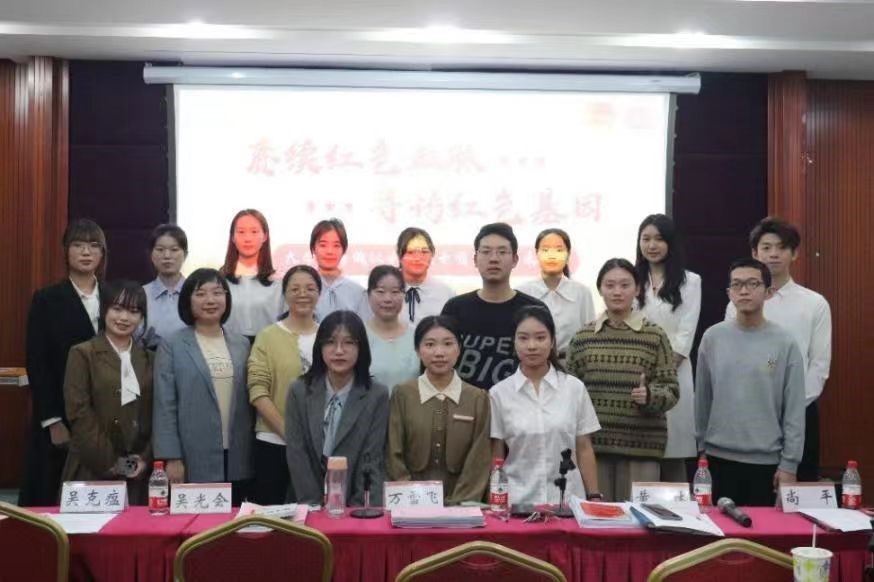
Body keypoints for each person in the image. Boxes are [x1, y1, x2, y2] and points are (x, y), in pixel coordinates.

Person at [724, 217, 831, 483]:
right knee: (753, 491)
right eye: (766, 247)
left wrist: (793, 405)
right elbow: (731, 359)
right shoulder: (738, 302)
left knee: (796, 491)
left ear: (794, 254)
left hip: (800, 411)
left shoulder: (814, 304)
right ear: (754, 253)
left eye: (782, 247)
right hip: (749, 412)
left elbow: (819, 365)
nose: (773, 254)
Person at [567, 258, 678, 502]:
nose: (617, 291)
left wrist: (650, 396)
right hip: (592, 451)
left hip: (642, 449)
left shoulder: (655, 335)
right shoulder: (583, 338)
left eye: (625, 285)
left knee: (640, 521)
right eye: (610, 285)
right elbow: (568, 395)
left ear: (637, 289)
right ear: (600, 289)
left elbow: (671, 390)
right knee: (598, 519)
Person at [699, 258, 805, 506]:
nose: (744, 291)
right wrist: (701, 450)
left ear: (768, 292)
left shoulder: (785, 342)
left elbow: (794, 409)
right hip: (717, 459)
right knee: (718, 530)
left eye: (752, 284)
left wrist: (789, 465)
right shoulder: (713, 338)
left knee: (762, 529)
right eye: (737, 285)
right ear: (729, 293)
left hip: (766, 463)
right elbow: (702, 399)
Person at [20, 219, 108, 506]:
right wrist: (52, 420)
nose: (86, 252)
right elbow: (38, 363)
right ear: (66, 251)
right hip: (61, 416)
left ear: (102, 253)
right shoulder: (47, 299)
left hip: (106, 416)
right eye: (78, 245)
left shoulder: (113, 297)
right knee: (52, 497)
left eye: (94, 245)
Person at [153, 268, 254, 504]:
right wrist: (171, 457)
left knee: (235, 522)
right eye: (200, 294)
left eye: (217, 293)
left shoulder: (242, 344)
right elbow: (164, 405)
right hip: (192, 457)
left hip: (238, 457)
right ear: (188, 301)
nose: (210, 300)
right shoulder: (173, 344)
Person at [490, 306, 601, 505]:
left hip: (567, 502)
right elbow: (496, 455)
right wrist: (495, 500)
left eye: (540, 338)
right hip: (518, 503)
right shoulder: (499, 394)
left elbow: (584, 448)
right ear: (514, 342)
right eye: (523, 338)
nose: (532, 346)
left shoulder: (574, 388)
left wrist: (594, 495)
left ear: (552, 342)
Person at [285, 310, 389, 506]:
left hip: (356, 504)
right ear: (319, 347)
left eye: (349, 343)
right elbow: (297, 454)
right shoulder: (299, 391)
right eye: (330, 342)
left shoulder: (377, 395)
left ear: (361, 348)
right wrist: (313, 506)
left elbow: (371, 458)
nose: (339, 351)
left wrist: (359, 510)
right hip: (305, 502)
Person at [62, 281, 153, 504]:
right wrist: (115, 464)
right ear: (104, 310)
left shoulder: (150, 358)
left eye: (133, 311)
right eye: (117, 309)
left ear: (141, 317)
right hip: (92, 466)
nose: (124, 318)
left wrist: (144, 458)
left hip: (139, 472)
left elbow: (159, 413)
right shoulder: (83, 353)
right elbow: (79, 413)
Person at [387, 316, 491, 504]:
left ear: (459, 349)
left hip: (463, 508)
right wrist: (413, 499)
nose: (439, 353)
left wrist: (459, 504)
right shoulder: (403, 394)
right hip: (410, 505)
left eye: (448, 344)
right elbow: (393, 453)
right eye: (430, 344)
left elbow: (479, 459)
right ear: (417, 350)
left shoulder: (477, 398)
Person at [635, 214, 701, 482]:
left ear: (671, 243)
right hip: (637, 374)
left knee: (674, 451)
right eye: (646, 239)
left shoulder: (690, 281)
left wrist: (661, 372)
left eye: (659, 239)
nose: (652, 245)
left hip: (674, 373)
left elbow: (686, 334)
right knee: (641, 451)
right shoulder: (631, 279)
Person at [441, 223, 545, 390]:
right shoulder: (455, 308)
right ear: (475, 259)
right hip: (464, 403)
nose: (494, 258)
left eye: (502, 252)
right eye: (486, 251)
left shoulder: (534, 309)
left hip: (519, 402)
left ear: (515, 260)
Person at [248, 267, 318, 504]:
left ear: (319, 294)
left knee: (314, 514)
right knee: (271, 517)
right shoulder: (268, 336)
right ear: (284, 294)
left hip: (319, 445)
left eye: (310, 288)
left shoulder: (329, 336)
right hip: (274, 442)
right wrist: (289, 433)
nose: (303, 294)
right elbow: (257, 390)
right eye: (295, 289)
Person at [516, 228, 596, 360]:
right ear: (536, 253)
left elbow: (590, 338)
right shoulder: (523, 292)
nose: (552, 256)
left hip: (571, 365)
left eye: (559, 250)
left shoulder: (582, 292)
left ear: (568, 254)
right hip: (532, 363)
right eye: (545, 250)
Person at [220, 209, 285, 343]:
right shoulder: (220, 280)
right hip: (229, 348)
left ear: (265, 236)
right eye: (241, 232)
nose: (248, 239)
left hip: (269, 349)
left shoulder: (278, 281)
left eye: (254, 232)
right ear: (232, 237)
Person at [365, 265, 420, 393]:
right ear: (368, 294)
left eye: (395, 292)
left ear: (404, 295)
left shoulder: (417, 336)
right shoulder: (358, 335)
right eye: (380, 292)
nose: (388, 299)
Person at [140, 224, 188, 350]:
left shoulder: (195, 293)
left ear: (185, 254)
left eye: (174, 249)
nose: (167, 256)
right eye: (160, 249)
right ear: (151, 255)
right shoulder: (141, 294)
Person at [310, 218, 367, 322]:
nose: (330, 251)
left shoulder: (358, 292)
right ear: (313, 248)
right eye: (323, 245)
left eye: (336, 245)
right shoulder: (300, 289)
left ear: (343, 249)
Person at [395, 227, 455, 325]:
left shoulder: (446, 293)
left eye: (424, 252)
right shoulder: (384, 291)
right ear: (399, 254)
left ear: (432, 254)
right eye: (410, 252)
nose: (418, 258)